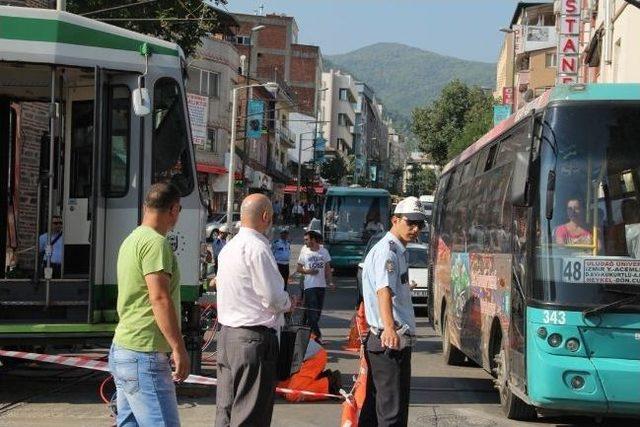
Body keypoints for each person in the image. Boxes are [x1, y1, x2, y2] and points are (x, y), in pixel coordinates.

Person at [109, 182, 188, 427]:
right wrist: (178, 348)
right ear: (174, 210)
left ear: (146, 206)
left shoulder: (132, 239)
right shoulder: (156, 243)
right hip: (144, 352)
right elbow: (159, 298)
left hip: (123, 347)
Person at [215, 193, 295, 426]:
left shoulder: (230, 247)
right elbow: (272, 297)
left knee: (226, 411)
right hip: (253, 340)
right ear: (265, 216)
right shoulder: (258, 248)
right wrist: (288, 302)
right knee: (251, 414)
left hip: (228, 335)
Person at [359, 196, 425, 426]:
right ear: (395, 220)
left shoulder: (397, 251)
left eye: (420, 224)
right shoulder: (388, 252)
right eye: (411, 223)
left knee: (376, 408)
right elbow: (383, 290)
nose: (416, 229)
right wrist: (389, 327)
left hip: (385, 340)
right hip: (389, 341)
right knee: (392, 413)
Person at [277, 338, 342, 402]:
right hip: (306, 356)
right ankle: (316, 379)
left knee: (293, 394)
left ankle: (330, 384)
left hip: (313, 357)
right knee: (281, 388)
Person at [297, 230, 334, 343]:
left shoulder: (324, 251)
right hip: (309, 287)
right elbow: (299, 269)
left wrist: (330, 282)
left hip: (321, 286)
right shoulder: (305, 252)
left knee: (317, 313)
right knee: (312, 313)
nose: (305, 242)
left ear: (313, 239)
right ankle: (317, 336)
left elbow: (327, 268)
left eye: (307, 240)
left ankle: (306, 334)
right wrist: (308, 271)